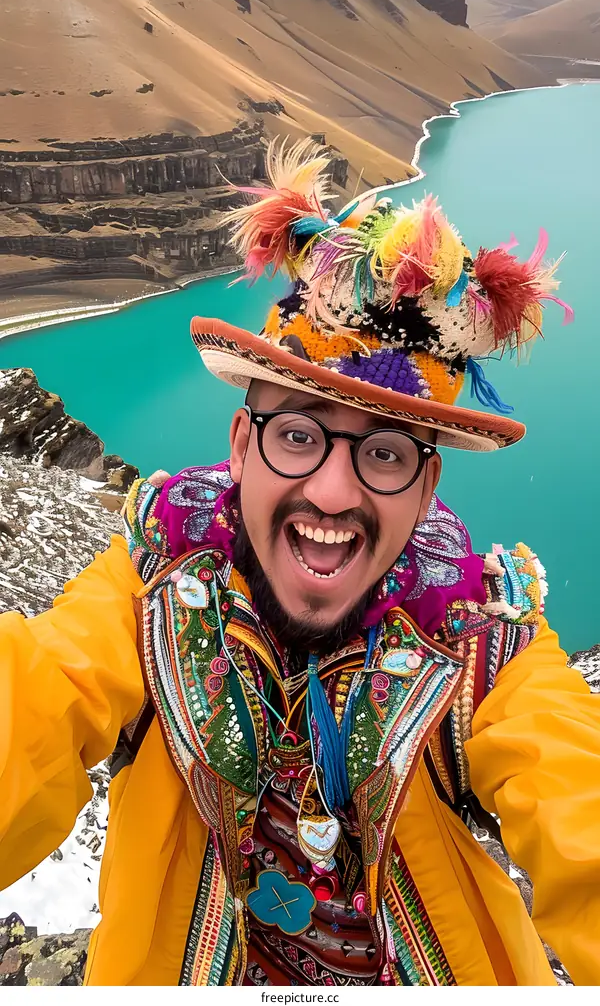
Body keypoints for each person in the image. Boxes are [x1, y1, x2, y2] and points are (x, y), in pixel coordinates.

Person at [1, 139, 599, 987]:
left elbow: (575, 782)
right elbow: (37, 696)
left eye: (385, 454)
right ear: (241, 446)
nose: (330, 492)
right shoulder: (154, 584)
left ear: (427, 489)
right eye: (296, 435)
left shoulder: (476, 639)